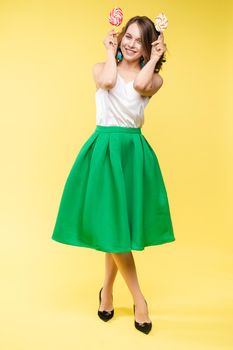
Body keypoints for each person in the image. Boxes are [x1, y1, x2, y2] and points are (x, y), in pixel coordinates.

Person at [51, 15, 175, 335]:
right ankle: (139, 299)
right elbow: (107, 81)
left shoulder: (152, 79)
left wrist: (157, 58)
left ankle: (106, 293)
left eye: (140, 41)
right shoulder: (101, 67)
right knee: (113, 225)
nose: (131, 44)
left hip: (132, 153)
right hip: (105, 149)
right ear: (120, 37)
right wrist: (110, 52)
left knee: (115, 227)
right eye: (128, 37)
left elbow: (141, 86)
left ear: (149, 48)